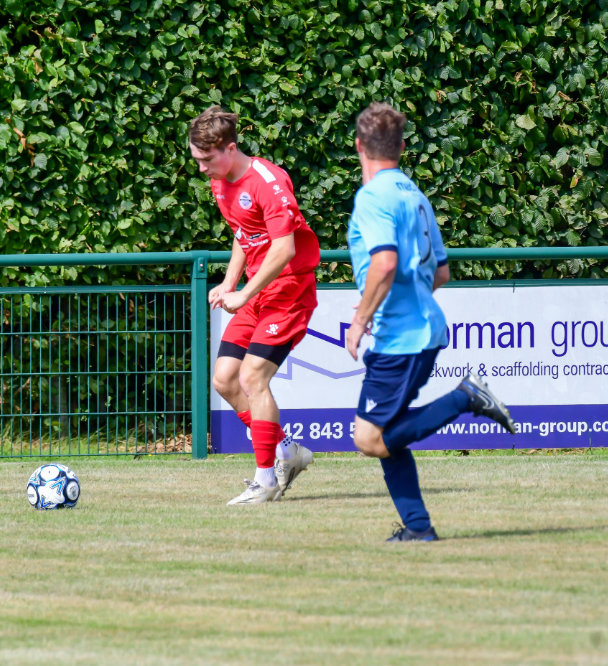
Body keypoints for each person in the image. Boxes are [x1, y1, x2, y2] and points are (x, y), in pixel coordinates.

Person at [345, 102, 516, 540]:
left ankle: (465, 398)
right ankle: (418, 529)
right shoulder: (414, 195)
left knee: (368, 439)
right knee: (387, 436)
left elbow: (385, 263)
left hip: (401, 339)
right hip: (421, 330)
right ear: (401, 147)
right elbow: (441, 272)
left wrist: (361, 319)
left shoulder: (373, 197)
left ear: (359, 146)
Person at [189, 106, 320, 505]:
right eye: (197, 160)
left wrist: (244, 293)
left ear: (230, 149)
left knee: (252, 378)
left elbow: (284, 248)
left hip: (289, 290)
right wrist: (230, 282)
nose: (202, 168)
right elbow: (245, 234)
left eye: (207, 159)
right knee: (225, 380)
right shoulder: (221, 182)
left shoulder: (268, 181)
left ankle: (266, 480)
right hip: (256, 291)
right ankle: (288, 451)